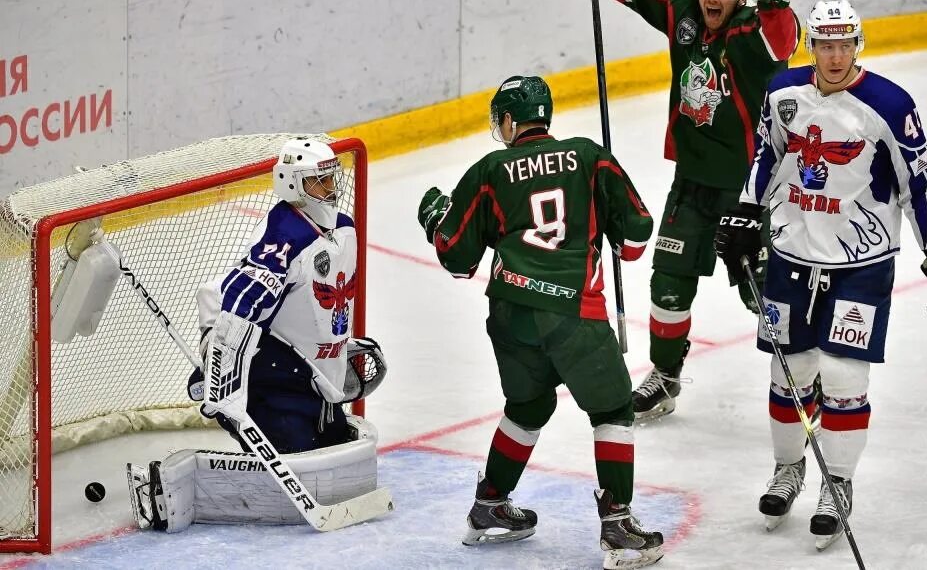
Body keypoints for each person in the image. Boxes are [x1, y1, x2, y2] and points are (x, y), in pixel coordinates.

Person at [714, 0, 927, 549]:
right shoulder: (783, 93)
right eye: (824, 45)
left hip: (862, 263)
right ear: (812, 47)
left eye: (844, 45)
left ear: (859, 45)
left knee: (844, 379)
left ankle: (839, 483)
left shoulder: (888, 104)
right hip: (790, 254)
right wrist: (744, 212)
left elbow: (919, 183)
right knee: (790, 374)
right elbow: (768, 154)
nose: (834, 56)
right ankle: (789, 469)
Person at [561, 0, 801, 419]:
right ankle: (667, 377)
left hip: (747, 190)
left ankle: (800, 376)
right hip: (692, 182)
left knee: (760, 291)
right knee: (668, 282)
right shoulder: (686, 13)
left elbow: (783, 44)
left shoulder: (749, 32)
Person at [417, 76, 663, 569]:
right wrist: (611, 230)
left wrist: (435, 218)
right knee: (613, 408)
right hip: (572, 310)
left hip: (509, 310)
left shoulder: (489, 169)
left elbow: (457, 258)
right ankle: (616, 522)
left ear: (510, 121)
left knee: (528, 405)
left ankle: (489, 503)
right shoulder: (589, 157)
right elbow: (637, 236)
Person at [126, 137, 388, 532]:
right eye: (319, 182)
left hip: (303, 369)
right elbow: (239, 304)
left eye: (332, 178)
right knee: (295, 451)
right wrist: (222, 375)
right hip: (262, 357)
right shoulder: (286, 236)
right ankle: (212, 418)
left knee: (332, 443)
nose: (331, 189)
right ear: (293, 184)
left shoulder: (343, 228)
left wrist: (336, 349)